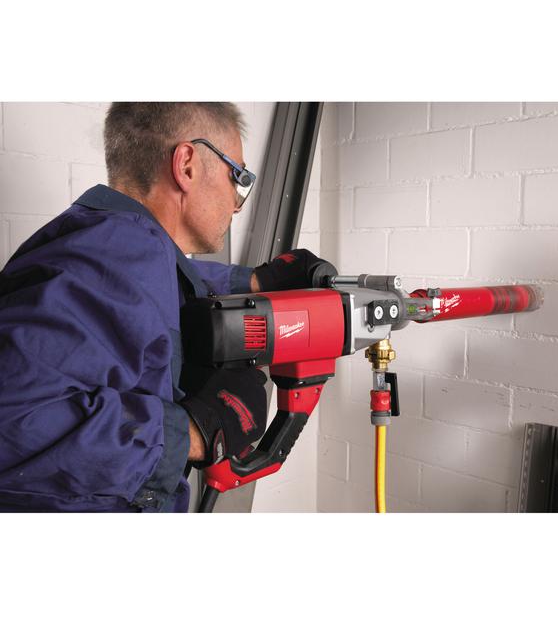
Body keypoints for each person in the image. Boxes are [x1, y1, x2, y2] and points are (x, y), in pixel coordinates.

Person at [0, 102, 328, 512]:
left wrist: (256, 282)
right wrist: (194, 432)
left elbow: (157, 282)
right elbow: (14, 421)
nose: (238, 203)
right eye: (238, 177)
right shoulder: (117, 257)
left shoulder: (113, 245)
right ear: (186, 165)